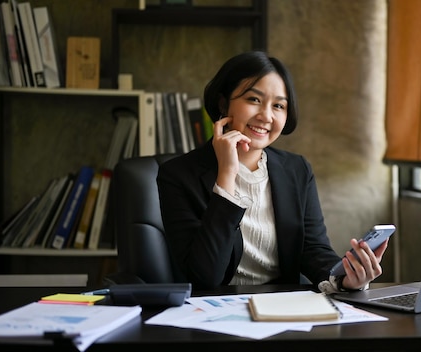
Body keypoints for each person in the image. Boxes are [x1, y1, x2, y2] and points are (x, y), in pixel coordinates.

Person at [157, 51, 388, 292]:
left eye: (278, 105)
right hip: (213, 312)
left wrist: (345, 278)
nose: (266, 116)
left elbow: (313, 249)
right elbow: (205, 276)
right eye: (254, 100)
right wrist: (226, 175)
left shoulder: (296, 170)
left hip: (281, 309)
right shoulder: (178, 175)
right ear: (223, 103)